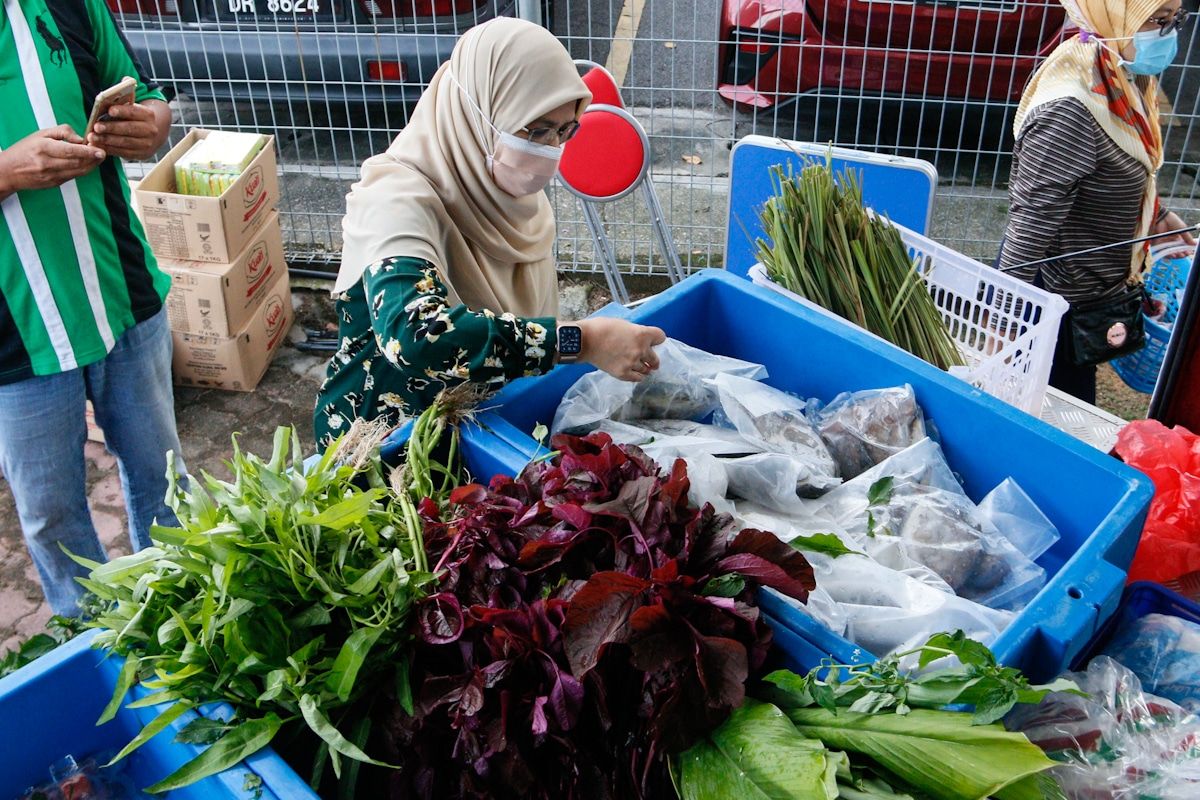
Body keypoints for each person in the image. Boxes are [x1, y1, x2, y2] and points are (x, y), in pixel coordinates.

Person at [314, 18, 665, 447]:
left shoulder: (502, 193)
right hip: (384, 449)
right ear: (477, 113)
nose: (549, 149)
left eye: (564, 130)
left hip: (477, 427)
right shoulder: (394, 200)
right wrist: (582, 340)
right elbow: (418, 335)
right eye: (534, 130)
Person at [0, 0, 183, 616]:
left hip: (122, 293)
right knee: (52, 513)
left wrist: (150, 123)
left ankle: (183, 616)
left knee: (165, 479)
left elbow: (149, 95)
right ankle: (96, 640)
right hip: (14, 337)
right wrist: (5, 170)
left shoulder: (71, 5)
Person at [997, 0, 1194, 404]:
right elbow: (1032, 221)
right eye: (1157, 20)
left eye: (1176, 19)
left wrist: (1156, 217)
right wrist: (1003, 319)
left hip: (1087, 293)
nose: (1169, 34)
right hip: (1051, 303)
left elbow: (1119, 165)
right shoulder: (1071, 107)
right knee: (1053, 423)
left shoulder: (1119, 75)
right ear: (1114, 15)